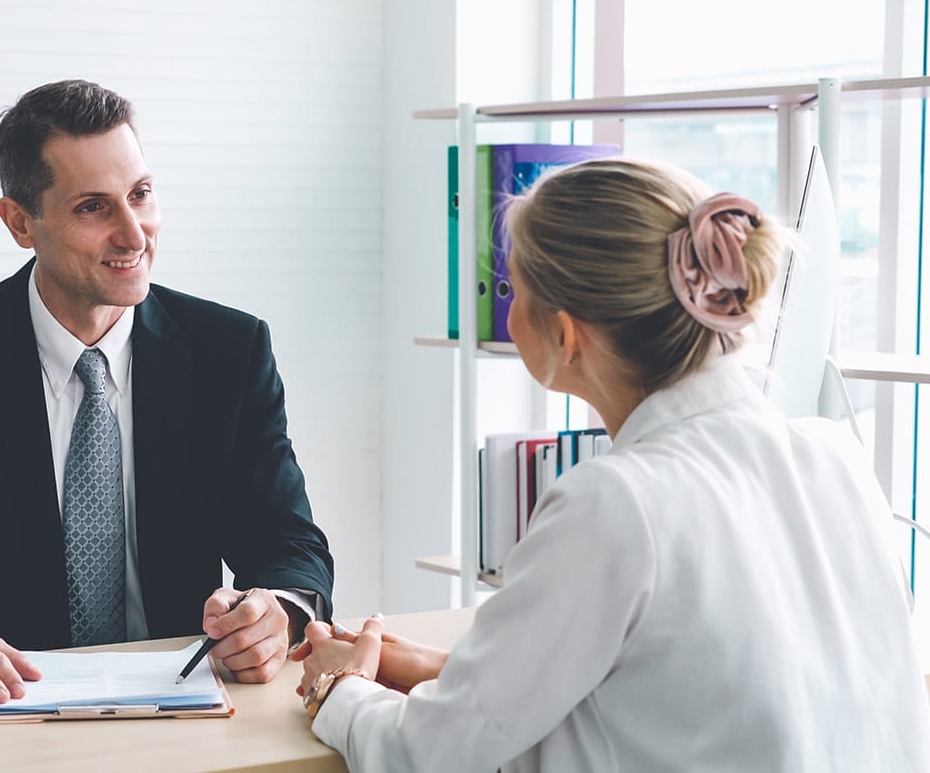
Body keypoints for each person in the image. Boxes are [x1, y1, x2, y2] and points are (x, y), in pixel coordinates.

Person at [294, 158, 930, 771]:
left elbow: (428, 755)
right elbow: (703, 692)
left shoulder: (615, 502)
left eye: (514, 289)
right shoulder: (834, 455)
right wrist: (452, 672)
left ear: (567, 335)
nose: (506, 311)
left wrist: (340, 691)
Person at [0, 79, 334, 711]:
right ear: (19, 223)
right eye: (93, 207)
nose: (134, 235)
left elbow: (288, 542)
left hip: (180, 711)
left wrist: (276, 610)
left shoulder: (228, 351)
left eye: (140, 195)